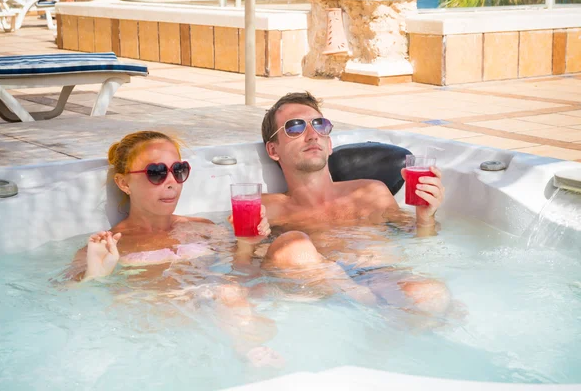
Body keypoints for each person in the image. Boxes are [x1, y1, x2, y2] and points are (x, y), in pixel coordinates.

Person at [65, 130, 286, 368]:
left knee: (228, 291)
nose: (171, 182)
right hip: (153, 335)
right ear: (123, 183)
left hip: (217, 325)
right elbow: (65, 298)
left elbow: (244, 274)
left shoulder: (204, 229)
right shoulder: (109, 246)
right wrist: (94, 276)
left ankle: (252, 353)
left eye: (178, 171)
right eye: (156, 173)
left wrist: (247, 243)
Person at [258, 92, 452, 316]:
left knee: (430, 294)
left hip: (381, 278)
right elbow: (239, 265)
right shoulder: (266, 208)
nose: (312, 135)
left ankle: (376, 313)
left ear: (329, 144)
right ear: (273, 150)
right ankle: (366, 303)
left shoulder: (371, 192)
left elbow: (420, 243)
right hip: (316, 286)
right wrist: (247, 243)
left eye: (319, 125)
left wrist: (426, 218)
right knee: (293, 246)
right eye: (295, 127)